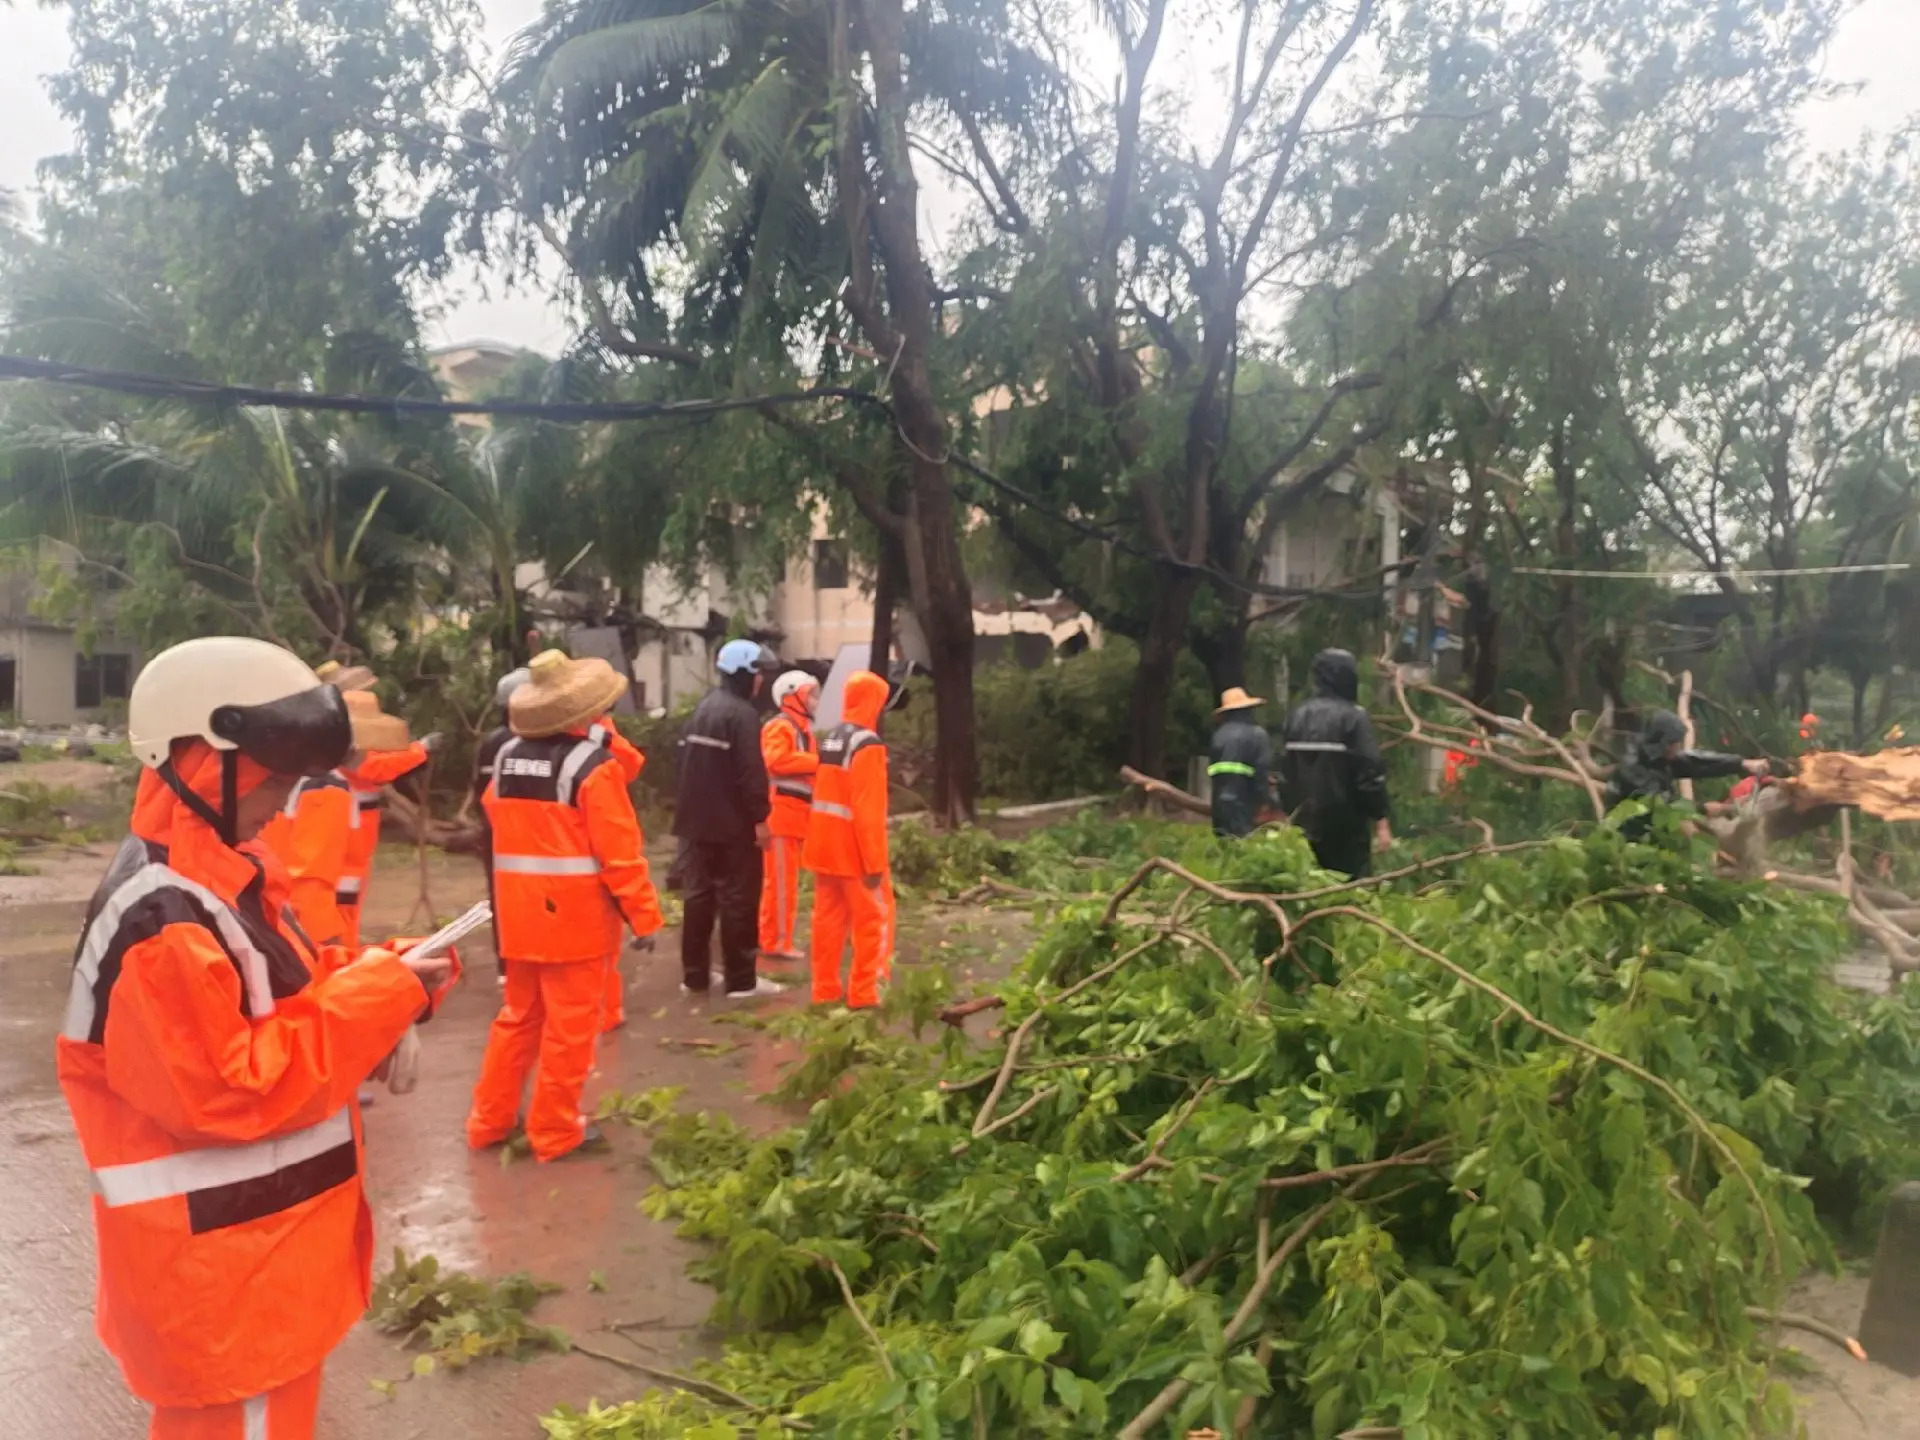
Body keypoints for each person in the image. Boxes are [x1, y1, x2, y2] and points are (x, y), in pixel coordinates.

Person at [56, 636, 454, 1440]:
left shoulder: (215, 876)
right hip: (224, 1277)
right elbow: (232, 1086)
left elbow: (287, 993)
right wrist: (381, 999)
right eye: (276, 780)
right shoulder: (162, 920)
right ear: (203, 765)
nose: (289, 802)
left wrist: (389, 975)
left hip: (252, 1265)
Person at [466, 650, 664, 1162]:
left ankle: (489, 1122)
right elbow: (619, 853)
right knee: (570, 1030)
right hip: (574, 921)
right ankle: (555, 1131)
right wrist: (644, 915)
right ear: (588, 713)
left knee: (518, 1019)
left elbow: (496, 814)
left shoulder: (507, 756)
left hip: (518, 915)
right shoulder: (593, 768)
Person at [673, 639, 784, 999]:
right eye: (758, 674)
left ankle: (695, 977)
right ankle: (741, 981)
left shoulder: (703, 708)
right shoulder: (742, 715)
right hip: (733, 828)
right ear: (743, 675)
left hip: (695, 826)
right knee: (738, 901)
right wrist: (761, 820)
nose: (760, 682)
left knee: (698, 899)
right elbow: (751, 774)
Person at [312, 663, 438, 950]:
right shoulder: (343, 743)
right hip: (346, 831)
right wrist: (420, 750)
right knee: (341, 898)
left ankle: (344, 952)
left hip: (355, 829)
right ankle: (340, 958)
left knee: (347, 899)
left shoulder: (345, 736)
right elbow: (374, 769)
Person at [803, 670, 893, 1010]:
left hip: (824, 847)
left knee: (827, 922)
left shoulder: (832, 738)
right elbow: (867, 810)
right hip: (853, 852)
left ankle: (824, 990)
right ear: (873, 702)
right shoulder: (868, 744)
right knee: (873, 920)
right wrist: (875, 863)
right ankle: (867, 992)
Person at [1278, 649, 1393, 878]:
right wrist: (1381, 819)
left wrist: (1286, 811)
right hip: (1346, 827)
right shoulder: (1354, 717)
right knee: (1350, 891)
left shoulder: (1296, 716)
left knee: (1308, 886)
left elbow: (1283, 771)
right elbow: (1369, 772)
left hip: (1303, 823)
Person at [1606, 710, 1769, 825]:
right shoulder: (1635, 769)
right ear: (1663, 743)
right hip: (1630, 835)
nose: (1678, 747)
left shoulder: (1655, 755)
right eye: (1674, 742)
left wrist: (1741, 763)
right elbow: (1662, 807)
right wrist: (1701, 809)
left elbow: (1696, 762)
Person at [474, 667, 531, 985]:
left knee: (501, 897)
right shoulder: (525, 742)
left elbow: (477, 791)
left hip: (494, 832)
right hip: (523, 834)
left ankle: (504, 964)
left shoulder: (490, 742)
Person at [760, 670, 821, 962]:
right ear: (791, 695)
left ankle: (775, 937)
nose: (814, 700)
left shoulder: (802, 730)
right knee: (781, 886)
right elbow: (776, 760)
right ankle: (775, 942)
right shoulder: (780, 727)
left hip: (795, 816)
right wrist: (819, 762)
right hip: (781, 816)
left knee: (785, 884)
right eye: (810, 693)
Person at [1207, 686, 1273, 838]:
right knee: (1245, 848)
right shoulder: (1257, 735)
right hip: (1245, 802)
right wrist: (1263, 801)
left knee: (1224, 847)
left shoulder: (1218, 736)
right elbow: (1261, 770)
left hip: (1219, 803)